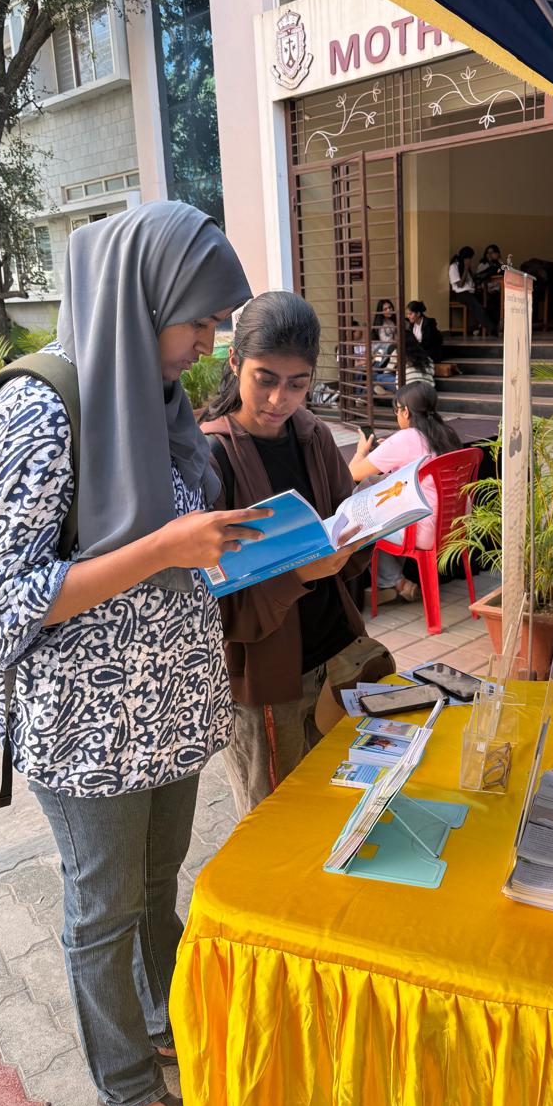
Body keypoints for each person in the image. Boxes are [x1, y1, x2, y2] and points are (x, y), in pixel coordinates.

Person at [0, 203, 270, 1106]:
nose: (209, 344)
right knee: (103, 911)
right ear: (140, 303)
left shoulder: (159, 403)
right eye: (198, 321)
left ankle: (163, 1025)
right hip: (87, 730)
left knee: (153, 888)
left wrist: (228, 547)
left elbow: (171, 546)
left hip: (168, 711)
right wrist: (165, 549)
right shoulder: (39, 409)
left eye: (217, 323)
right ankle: (125, 1095)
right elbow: (0, 604)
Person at [201, 291, 387, 818]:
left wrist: (369, 524)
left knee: (342, 806)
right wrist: (299, 572)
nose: (279, 399)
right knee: (276, 820)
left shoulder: (313, 435)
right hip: (268, 677)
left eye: (297, 384)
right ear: (235, 362)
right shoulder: (211, 456)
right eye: (265, 379)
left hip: (335, 651)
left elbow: (341, 519)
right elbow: (211, 595)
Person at [349, 381, 461, 602]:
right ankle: (390, 584)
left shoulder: (405, 439)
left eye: (396, 410)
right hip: (455, 527)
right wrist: (389, 449)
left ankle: (396, 583)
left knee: (359, 520)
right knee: (386, 511)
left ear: (406, 411)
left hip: (424, 531)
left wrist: (362, 451)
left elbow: (354, 473)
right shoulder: (447, 434)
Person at [448, 246, 494, 337]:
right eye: (469, 258)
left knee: (489, 301)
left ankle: (484, 327)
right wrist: (466, 268)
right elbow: (460, 285)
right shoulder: (454, 267)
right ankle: (492, 329)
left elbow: (471, 282)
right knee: (476, 306)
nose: (470, 260)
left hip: (471, 292)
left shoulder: (465, 267)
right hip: (461, 294)